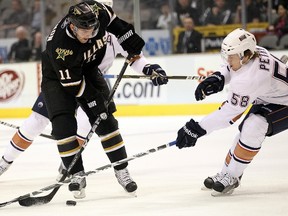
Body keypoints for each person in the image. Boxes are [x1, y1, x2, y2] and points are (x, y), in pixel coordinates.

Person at [0, 0, 168, 199]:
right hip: (63, 77)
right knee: (44, 123)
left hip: (90, 74)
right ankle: (5, 162)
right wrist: (94, 100)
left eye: (96, 24)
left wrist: (149, 69)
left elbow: (133, 55)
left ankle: (81, 168)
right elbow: (73, 84)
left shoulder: (103, 19)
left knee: (101, 124)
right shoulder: (61, 46)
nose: (92, 30)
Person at [175, 28, 288, 196]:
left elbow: (230, 113)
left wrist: (197, 128)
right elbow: (231, 68)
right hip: (271, 97)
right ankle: (226, 173)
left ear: (246, 54)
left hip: (283, 102)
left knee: (253, 127)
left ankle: (232, 176)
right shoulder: (254, 52)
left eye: (232, 55)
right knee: (246, 131)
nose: (228, 60)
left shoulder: (251, 79)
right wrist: (218, 77)